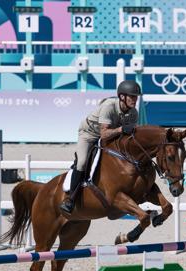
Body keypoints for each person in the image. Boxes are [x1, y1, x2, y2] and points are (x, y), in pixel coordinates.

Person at [60, 80, 141, 214]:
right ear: (122, 97)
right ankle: (70, 200)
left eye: (136, 97)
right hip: (89, 134)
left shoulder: (134, 113)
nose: (135, 100)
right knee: (82, 162)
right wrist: (121, 129)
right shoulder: (109, 106)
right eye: (132, 96)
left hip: (111, 135)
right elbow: (104, 134)